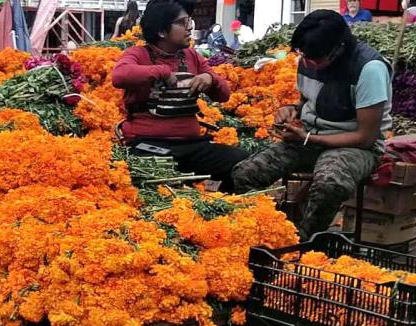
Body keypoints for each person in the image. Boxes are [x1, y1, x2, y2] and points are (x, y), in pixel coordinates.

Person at [232, 10, 392, 240]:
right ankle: (267, 232)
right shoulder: (308, 58)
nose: (308, 64)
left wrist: (308, 139)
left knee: (329, 184)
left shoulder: (369, 69)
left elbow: (366, 137)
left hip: (355, 146)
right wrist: (291, 109)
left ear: (338, 49)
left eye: (315, 60)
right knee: (246, 173)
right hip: (310, 138)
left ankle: (303, 243)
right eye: (304, 56)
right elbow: (308, 100)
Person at [112, 0, 248, 192]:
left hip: (191, 146)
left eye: (189, 22)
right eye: (183, 22)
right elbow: (120, 76)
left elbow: (224, 95)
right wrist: (162, 71)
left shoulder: (192, 56)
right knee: (154, 176)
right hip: (149, 146)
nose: (189, 28)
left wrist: (210, 79)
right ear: (161, 31)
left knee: (243, 163)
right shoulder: (138, 54)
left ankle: (224, 209)